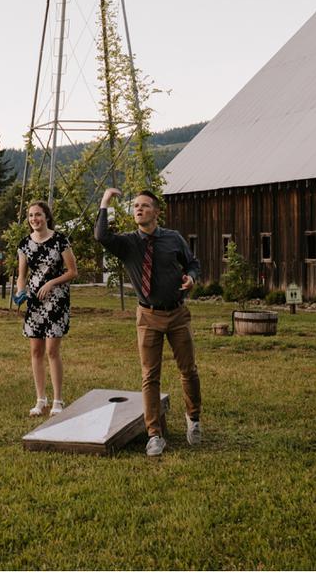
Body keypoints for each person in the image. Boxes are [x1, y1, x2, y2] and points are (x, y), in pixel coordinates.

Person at [95, 187, 202, 457]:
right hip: (148, 315)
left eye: (144, 206)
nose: (138, 209)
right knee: (149, 376)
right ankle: (154, 434)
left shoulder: (173, 238)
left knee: (188, 369)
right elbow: (101, 235)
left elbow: (193, 264)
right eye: (135, 207)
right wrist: (105, 202)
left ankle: (194, 418)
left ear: (156, 211)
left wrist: (191, 277)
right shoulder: (128, 243)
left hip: (177, 313)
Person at [17, 200, 77, 416]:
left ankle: (58, 401)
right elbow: (22, 276)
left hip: (56, 300)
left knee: (52, 351)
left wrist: (51, 283)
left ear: (47, 217)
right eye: (31, 215)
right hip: (34, 301)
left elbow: (72, 272)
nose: (35, 219)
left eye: (38, 215)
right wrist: (20, 292)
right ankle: (40, 400)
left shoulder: (60, 240)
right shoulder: (24, 244)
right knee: (36, 351)